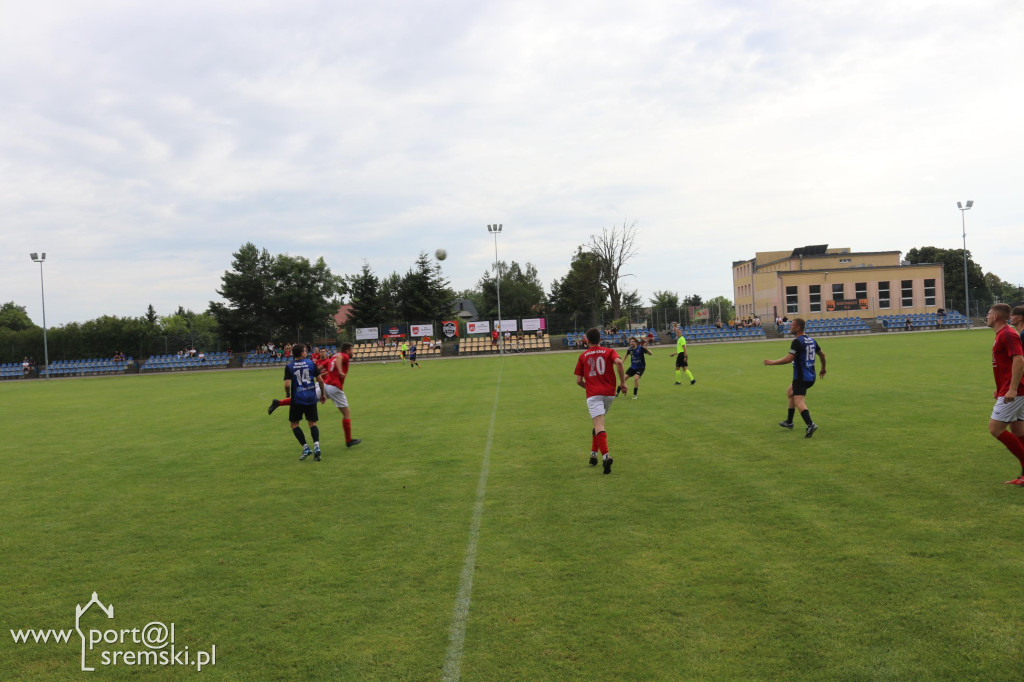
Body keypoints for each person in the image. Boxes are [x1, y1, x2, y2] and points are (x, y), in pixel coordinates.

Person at [574, 327, 627, 474]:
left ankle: (606, 456)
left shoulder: (583, 356)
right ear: (600, 339)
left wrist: (590, 388)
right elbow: (620, 363)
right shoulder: (609, 351)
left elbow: (578, 381)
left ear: (587, 340)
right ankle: (593, 454)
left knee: (598, 424)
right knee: (598, 424)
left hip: (594, 394)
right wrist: (622, 383)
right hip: (609, 394)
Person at [764, 317, 826, 438]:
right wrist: (823, 368)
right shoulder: (811, 340)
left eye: (792, 325)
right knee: (790, 392)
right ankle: (789, 421)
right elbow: (822, 355)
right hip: (811, 376)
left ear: (798, 328)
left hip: (801, 377)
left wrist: (772, 362)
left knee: (799, 401)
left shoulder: (797, 341)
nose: (790, 326)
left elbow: (788, 359)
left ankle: (810, 424)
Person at [985, 304, 1024, 485]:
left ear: (995, 317)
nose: (987, 316)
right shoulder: (1002, 334)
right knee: (1018, 431)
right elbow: (1005, 365)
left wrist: (1012, 388)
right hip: (1011, 390)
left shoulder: (1008, 334)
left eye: (989, 314)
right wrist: (1001, 387)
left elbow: (1019, 359)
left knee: (995, 429)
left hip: (1016, 391)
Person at [281, 343, 327, 461]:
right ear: (302, 353)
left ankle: (306, 447)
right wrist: (322, 394)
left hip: (298, 399)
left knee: (294, 424)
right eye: (305, 350)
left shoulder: (289, 366)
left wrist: (287, 394)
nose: (306, 352)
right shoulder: (311, 363)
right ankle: (316, 446)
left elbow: (287, 384)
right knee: (312, 423)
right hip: (311, 397)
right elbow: (320, 380)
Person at [322, 342, 362, 448]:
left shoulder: (333, 356)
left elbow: (324, 366)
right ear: (347, 350)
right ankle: (348, 441)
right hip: (335, 387)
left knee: (306, 399)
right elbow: (340, 357)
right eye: (352, 350)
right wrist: (340, 371)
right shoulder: (343, 355)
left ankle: (280, 402)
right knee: (347, 413)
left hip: (326, 385)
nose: (353, 352)